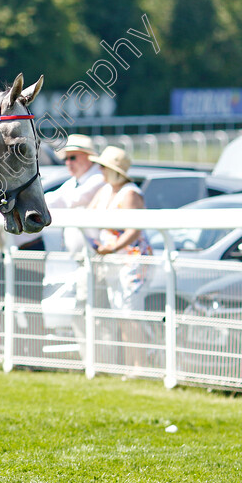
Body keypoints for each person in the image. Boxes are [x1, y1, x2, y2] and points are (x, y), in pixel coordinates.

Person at [82, 146, 152, 370]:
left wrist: (111, 248)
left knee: (130, 315)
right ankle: (132, 365)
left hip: (131, 261)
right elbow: (87, 215)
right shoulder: (105, 191)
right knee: (123, 315)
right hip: (114, 260)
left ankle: (139, 365)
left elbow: (134, 230)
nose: (100, 170)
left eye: (103, 166)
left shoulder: (130, 193)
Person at [44, 134, 106, 253]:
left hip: (97, 255)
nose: (68, 163)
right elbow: (55, 198)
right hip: (81, 256)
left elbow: (69, 200)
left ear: (89, 157)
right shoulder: (73, 182)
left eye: (72, 158)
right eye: (65, 159)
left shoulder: (100, 178)